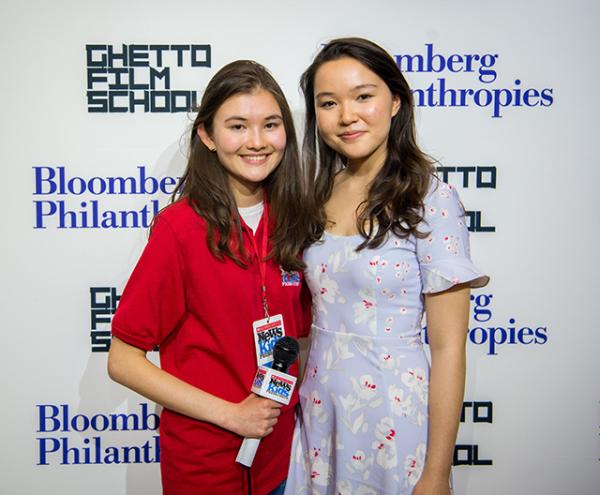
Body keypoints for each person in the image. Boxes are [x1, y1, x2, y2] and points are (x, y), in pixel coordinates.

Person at [284, 38, 489, 495]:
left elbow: (450, 349)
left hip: (393, 418)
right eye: (328, 103)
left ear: (395, 101)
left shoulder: (429, 201)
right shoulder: (314, 196)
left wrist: (436, 474)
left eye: (363, 96)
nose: (347, 115)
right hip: (319, 414)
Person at [108, 60, 311, 495]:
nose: (256, 142)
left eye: (271, 125)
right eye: (237, 126)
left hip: (280, 462)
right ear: (207, 136)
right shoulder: (180, 228)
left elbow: (302, 335)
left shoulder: (293, 222)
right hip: (207, 468)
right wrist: (231, 415)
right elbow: (123, 361)